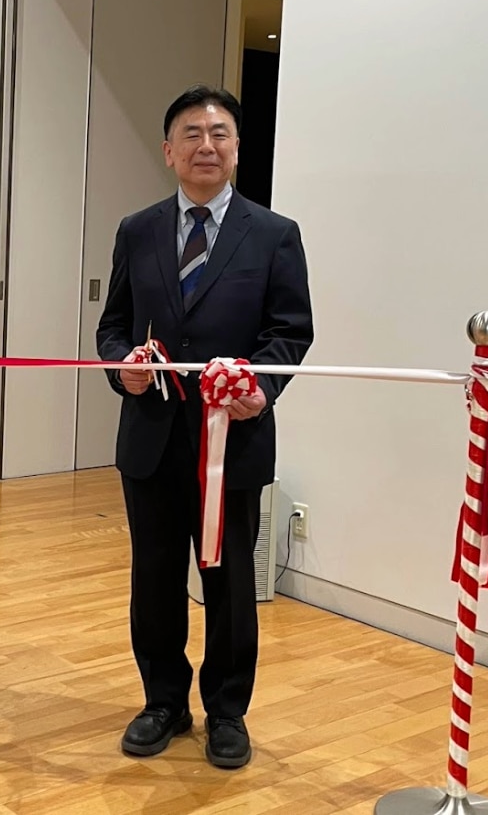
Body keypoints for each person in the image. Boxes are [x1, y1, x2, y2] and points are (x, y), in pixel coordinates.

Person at [96, 85, 313, 769]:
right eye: (190, 133)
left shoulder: (274, 234)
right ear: (168, 151)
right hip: (151, 440)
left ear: (237, 149)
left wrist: (259, 385)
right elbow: (113, 328)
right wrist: (120, 367)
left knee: (227, 586)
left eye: (219, 133)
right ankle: (162, 701)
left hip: (234, 441)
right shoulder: (136, 229)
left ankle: (227, 711)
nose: (205, 146)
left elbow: (290, 331)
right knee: (154, 579)